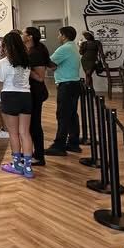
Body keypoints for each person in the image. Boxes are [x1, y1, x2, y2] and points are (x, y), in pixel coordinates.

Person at [0, 31, 34, 178]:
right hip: (26, 96)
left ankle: (17, 165)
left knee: (13, 133)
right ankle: (28, 168)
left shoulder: (2, 62)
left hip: (9, 96)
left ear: (6, 46)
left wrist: (0, 98)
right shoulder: (26, 61)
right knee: (25, 132)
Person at [46, 26, 82, 156]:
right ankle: (73, 143)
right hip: (73, 84)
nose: (57, 37)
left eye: (59, 34)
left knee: (62, 115)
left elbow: (50, 63)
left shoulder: (64, 48)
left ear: (64, 36)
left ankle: (59, 145)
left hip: (66, 85)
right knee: (72, 115)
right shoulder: (72, 47)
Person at [23, 26, 50, 166]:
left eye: (24, 33)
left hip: (36, 92)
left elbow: (40, 77)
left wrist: (25, 69)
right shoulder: (32, 51)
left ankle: (39, 156)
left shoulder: (36, 53)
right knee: (32, 125)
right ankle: (35, 153)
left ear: (30, 37)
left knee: (35, 125)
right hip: (32, 92)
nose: (22, 35)